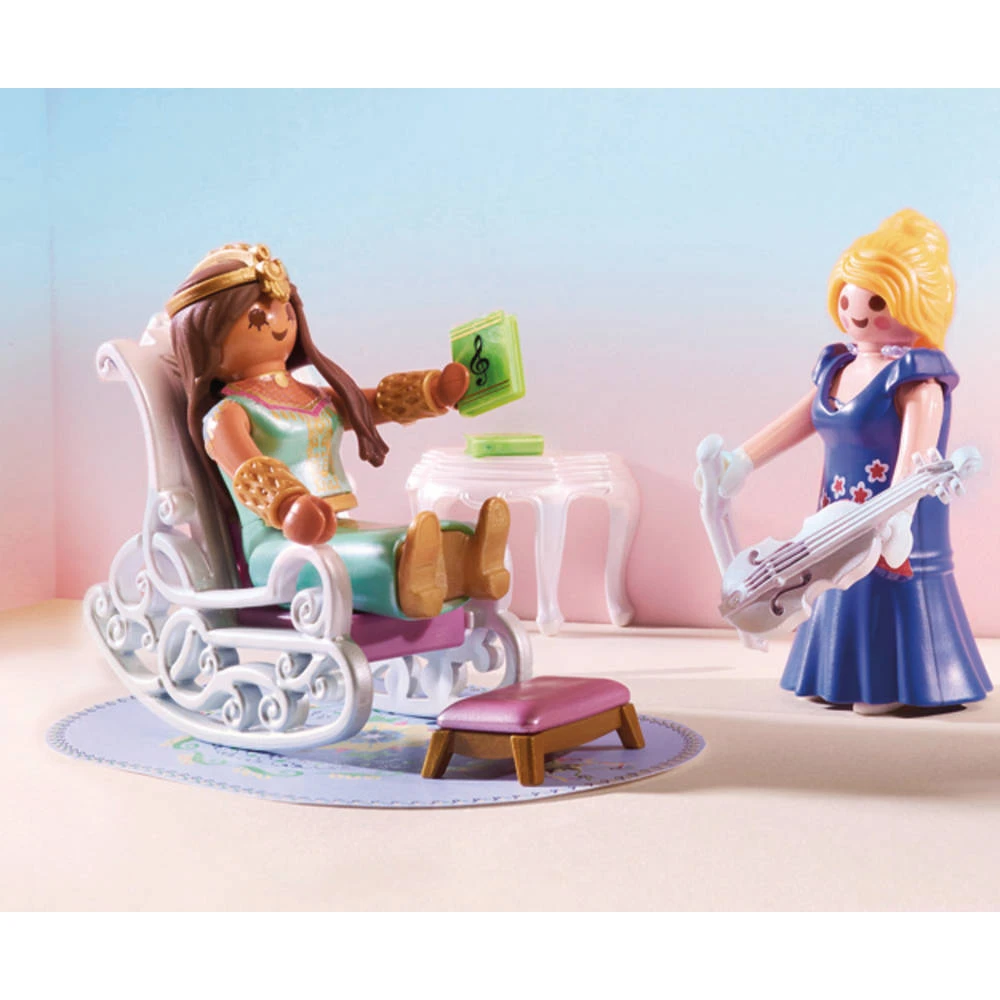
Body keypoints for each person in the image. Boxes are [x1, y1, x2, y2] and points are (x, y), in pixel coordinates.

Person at [704, 210, 991, 714]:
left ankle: (893, 685)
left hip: (893, 516)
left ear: (917, 304)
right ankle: (836, 676)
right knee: (831, 576)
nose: (856, 313)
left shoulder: (917, 380)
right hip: (833, 517)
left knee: (886, 580)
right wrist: (740, 461)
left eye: (877, 302)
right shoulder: (839, 367)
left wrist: (896, 513)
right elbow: (800, 419)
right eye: (846, 298)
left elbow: (918, 457)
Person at [168, 242, 510, 620]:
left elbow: (371, 403)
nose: (280, 323)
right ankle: (413, 585)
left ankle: (473, 564)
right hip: (277, 546)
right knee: (383, 552)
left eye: (287, 311)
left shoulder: (310, 395)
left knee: (433, 534)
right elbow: (250, 471)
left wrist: (434, 391)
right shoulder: (227, 415)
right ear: (205, 341)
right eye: (259, 319)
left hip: (333, 528)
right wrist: (288, 505)